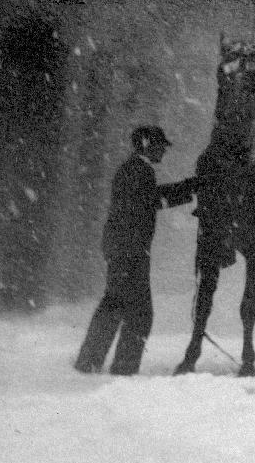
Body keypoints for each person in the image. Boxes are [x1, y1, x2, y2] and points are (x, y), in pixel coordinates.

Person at [74, 126, 198, 375]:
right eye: (160, 145)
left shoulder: (133, 169)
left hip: (122, 249)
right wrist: (189, 188)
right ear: (146, 145)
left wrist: (186, 188)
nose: (163, 150)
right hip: (129, 252)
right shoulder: (139, 171)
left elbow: (147, 200)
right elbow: (150, 201)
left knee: (115, 304)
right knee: (139, 314)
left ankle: (90, 362)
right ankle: (122, 369)